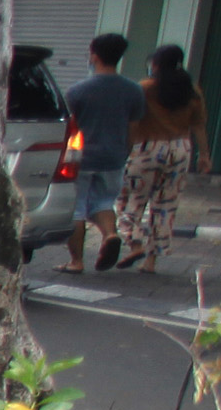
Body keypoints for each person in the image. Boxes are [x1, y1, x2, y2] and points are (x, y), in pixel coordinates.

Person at [114, 42, 201, 269]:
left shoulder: (144, 88)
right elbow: (200, 124)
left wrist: (124, 147)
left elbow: (130, 120)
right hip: (181, 148)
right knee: (165, 205)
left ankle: (134, 243)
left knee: (128, 199)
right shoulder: (192, 90)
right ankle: (151, 261)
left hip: (147, 148)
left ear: (156, 64)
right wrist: (206, 155)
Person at [61, 31, 138, 272]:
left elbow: (69, 128)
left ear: (94, 55)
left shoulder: (78, 90)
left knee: (77, 209)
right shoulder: (133, 90)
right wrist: (124, 153)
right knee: (104, 201)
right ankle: (110, 235)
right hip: (114, 156)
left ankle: (77, 261)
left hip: (82, 157)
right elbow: (132, 129)